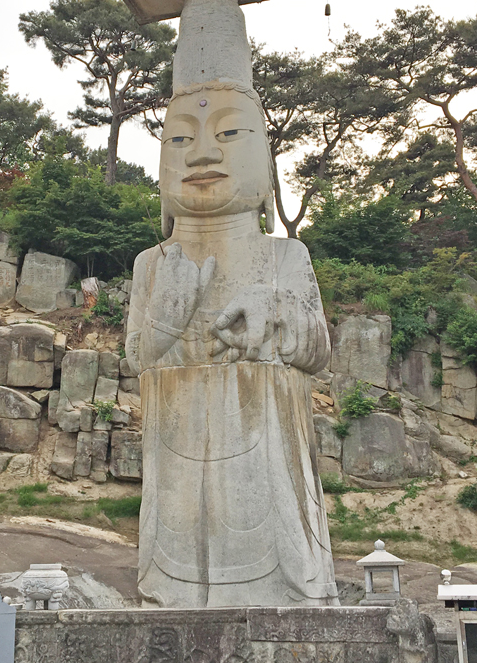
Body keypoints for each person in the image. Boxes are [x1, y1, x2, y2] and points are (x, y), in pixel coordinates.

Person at [127, 79, 338, 608]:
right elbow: (135, 357)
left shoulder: (285, 256)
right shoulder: (151, 264)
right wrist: (166, 322)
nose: (202, 153)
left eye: (229, 133)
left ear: (265, 161)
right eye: (179, 139)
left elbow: (318, 351)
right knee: (173, 574)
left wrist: (277, 310)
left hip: (266, 452)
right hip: (177, 456)